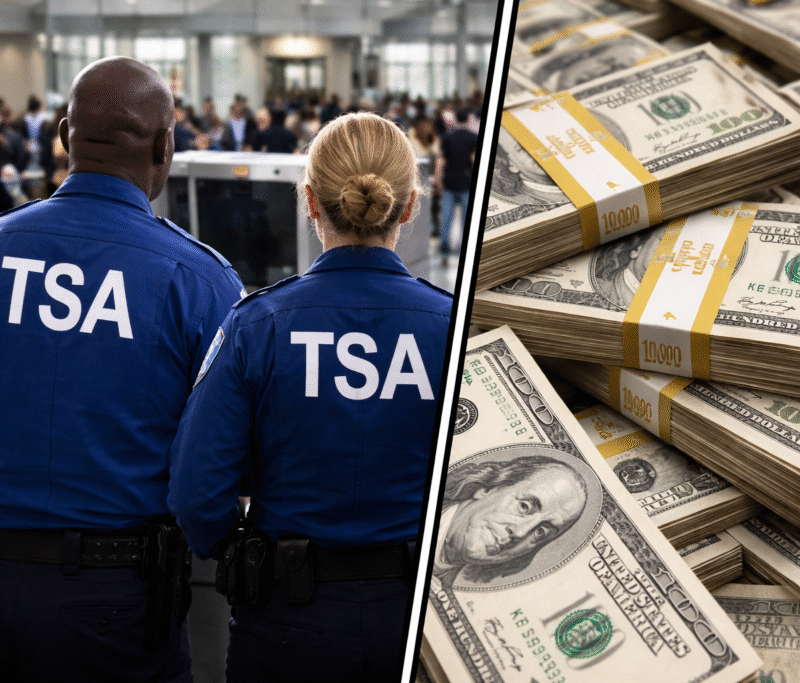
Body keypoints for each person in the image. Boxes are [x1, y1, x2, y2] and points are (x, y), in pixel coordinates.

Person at [169, 112, 452, 683]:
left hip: (286, 616)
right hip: (421, 624)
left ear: (310, 201)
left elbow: (197, 493)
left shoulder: (258, 325)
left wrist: (241, 556)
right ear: (412, 206)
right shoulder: (450, 327)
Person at [0, 56, 244, 682]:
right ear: (166, 145)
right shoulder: (199, 281)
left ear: (63, 137)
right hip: (112, 597)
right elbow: (222, 454)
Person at [433, 455, 587, 588]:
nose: (520, 533)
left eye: (541, 532)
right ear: (490, 488)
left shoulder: (447, 589)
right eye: (524, 506)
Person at [434, 107, 478, 264]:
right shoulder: (473, 137)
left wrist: (438, 181)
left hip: (449, 183)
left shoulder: (447, 137)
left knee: (446, 218)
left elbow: (441, 161)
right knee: (466, 220)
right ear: (467, 119)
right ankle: (463, 250)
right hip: (467, 183)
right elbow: (474, 160)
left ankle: (444, 250)